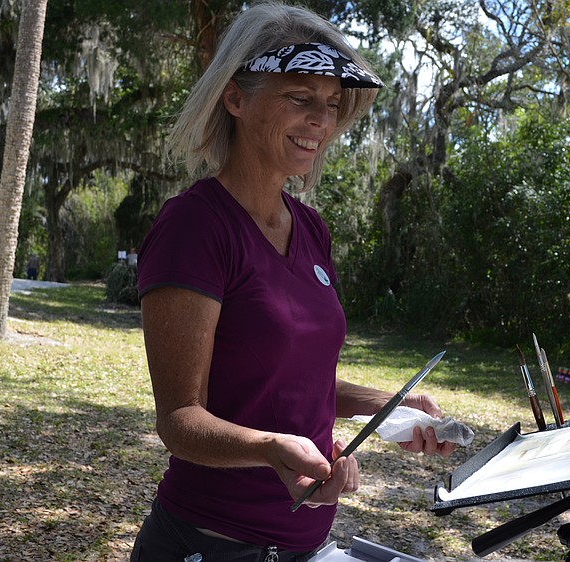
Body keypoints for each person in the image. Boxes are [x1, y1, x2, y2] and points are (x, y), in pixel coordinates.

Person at [130, 3, 457, 561]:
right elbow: (181, 420)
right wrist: (270, 449)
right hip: (212, 544)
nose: (321, 122)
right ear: (235, 98)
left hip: (305, 546)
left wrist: (387, 406)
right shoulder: (195, 226)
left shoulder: (309, 228)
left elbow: (285, 386)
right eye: (299, 98)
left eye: (331, 105)